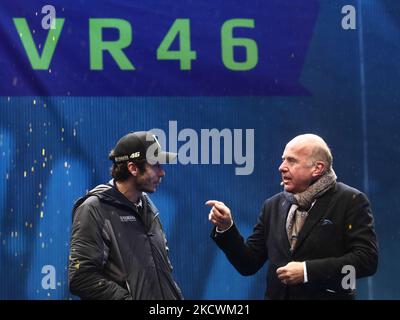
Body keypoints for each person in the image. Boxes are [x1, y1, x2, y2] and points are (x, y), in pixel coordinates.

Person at [206, 134, 378, 300]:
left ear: (317, 168)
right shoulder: (272, 206)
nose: (281, 167)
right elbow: (248, 264)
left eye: (292, 160)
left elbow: (366, 260)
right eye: (283, 159)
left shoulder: (350, 200)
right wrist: (226, 227)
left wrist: (306, 271)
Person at [69, 131, 183, 300]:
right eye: (156, 165)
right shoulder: (94, 209)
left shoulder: (148, 207)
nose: (162, 173)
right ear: (133, 168)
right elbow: (81, 278)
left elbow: (160, 273)